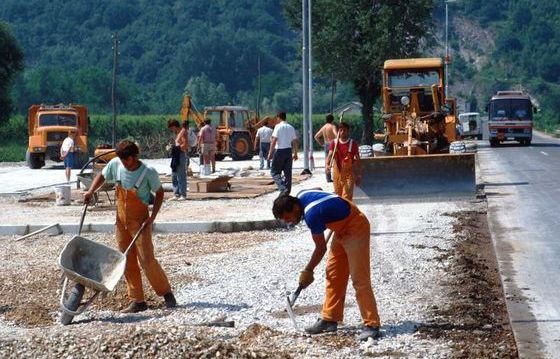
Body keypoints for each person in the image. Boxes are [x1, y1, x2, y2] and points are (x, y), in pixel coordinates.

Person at [272, 190, 381, 341]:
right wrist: (330, 212)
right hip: (340, 230)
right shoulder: (301, 195)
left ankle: (372, 325)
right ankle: (330, 319)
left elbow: (320, 248)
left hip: (356, 226)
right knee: (333, 274)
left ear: (296, 208)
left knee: (359, 278)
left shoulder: (311, 214)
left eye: (288, 217)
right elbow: (322, 192)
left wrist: (308, 270)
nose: (288, 221)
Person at [83, 140, 176, 313]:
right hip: (121, 222)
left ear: (135, 156)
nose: (125, 163)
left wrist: (152, 217)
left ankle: (166, 293)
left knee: (147, 260)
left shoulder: (148, 172)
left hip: (140, 222)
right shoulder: (116, 164)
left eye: (128, 159)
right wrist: (91, 191)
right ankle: (137, 300)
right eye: (122, 159)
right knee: (126, 261)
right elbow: (102, 176)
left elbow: (160, 193)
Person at [326, 122, 362, 201]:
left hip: (348, 175)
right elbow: (329, 155)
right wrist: (327, 165)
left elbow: (358, 159)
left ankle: (348, 211)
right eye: (341, 130)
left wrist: (358, 174)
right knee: (338, 197)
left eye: (344, 130)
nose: (342, 132)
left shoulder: (353, 144)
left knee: (347, 197)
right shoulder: (334, 143)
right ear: (338, 131)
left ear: (348, 131)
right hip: (337, 174)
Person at [267, 112, 298, 195]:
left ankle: (283, 188)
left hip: (279, 151)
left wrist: (270, 153)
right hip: (288, 151)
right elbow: (295, 141)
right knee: (288, 173)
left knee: (274, 172)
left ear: (278, 118)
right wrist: (295, 153)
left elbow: (274, 140)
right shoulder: (291, 127)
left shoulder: (278, 127)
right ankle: (287, 192)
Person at [167, 119, 188, 201]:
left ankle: (183, 194)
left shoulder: (183, 132)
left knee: (181, 175)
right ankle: (176, 194)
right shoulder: (177, 133)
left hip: (181, 155)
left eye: (171, 128)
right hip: (176, 155)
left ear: (174, 126)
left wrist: (176, 148)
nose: (171, 130)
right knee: (174, 175)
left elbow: (185, 145)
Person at [314, 114, 338, 182]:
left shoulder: (324, 127)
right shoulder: (332, 126)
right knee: (336, 161)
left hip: (326, 145)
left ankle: (328, 177)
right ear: (332, 120)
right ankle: (337, 176)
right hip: (333, 144)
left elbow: (316, 136)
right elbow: (336, 135)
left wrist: (321, 144)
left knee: (327, 161)